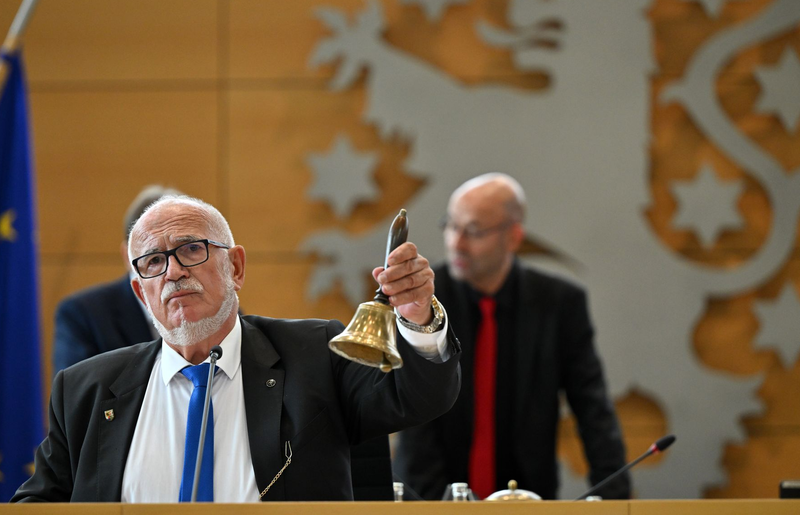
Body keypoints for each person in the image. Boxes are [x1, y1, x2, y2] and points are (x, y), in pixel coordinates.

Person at [14, 195, 460, 502]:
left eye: (191, 249)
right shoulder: (86, 390)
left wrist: (418, 315)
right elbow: (39, 504)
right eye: (153, 262)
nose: (172, 273)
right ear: (139, 290)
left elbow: (418, 396)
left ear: (236, 266)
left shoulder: (315, 354)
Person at [393, 173, 629, 500]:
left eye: (473, 231)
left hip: (527, 496)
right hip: (430, 496)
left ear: (514, 237)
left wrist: (614, 500)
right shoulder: (422, 301)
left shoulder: (559, 302)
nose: (455, 242)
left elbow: (593, 410)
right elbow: (414, 412)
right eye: (451, 225)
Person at [52, 185, 178, 375]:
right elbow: (77, 400)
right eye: (155, 258)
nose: (174, 269)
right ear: (128, 257)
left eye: (189, 250)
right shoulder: (83, 315)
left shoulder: (218, 309)